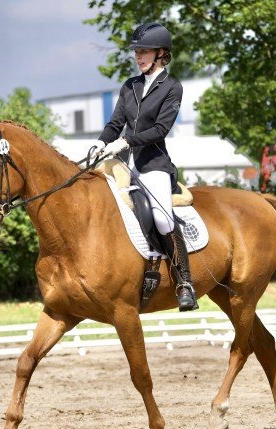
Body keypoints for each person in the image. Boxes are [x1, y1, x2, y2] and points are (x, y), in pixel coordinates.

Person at [89, 22, 198, 311]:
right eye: (137, 51)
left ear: (161, 53)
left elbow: (160, 129)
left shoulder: (172, 88)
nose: (139, 57)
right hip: (124, 167)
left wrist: (125, 142)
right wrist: (101, 143)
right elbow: (115, 123)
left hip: (154, 166)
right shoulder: (130, 86)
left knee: (162, 218)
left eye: (145, 51)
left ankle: (184, 282)